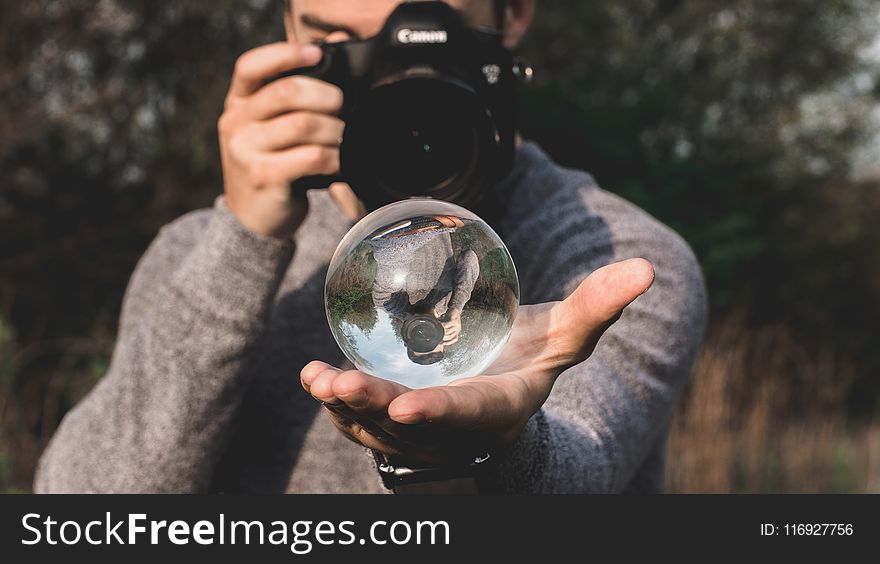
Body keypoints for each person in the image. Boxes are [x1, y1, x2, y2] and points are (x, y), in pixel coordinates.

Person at [34, 0, 708, 493]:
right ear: (291, 33)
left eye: (426, 49)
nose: (392, 88)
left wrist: (498, 449)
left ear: (515, 14)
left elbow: (583, 474)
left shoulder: (612, 255)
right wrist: (243, 238)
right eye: (339, 43)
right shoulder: (195, 253)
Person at [367, 214, 479, 365]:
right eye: (433, 338)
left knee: (389, 254)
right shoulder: (449, 301)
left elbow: (390, 265)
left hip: (397, 221)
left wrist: (396, 245)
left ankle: (399, 240)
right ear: (443, 335)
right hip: (439, 214)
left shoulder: (391, 304)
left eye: (419, 339)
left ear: (406, 337)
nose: (424, 332)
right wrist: (457, 308)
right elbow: (469, 258)